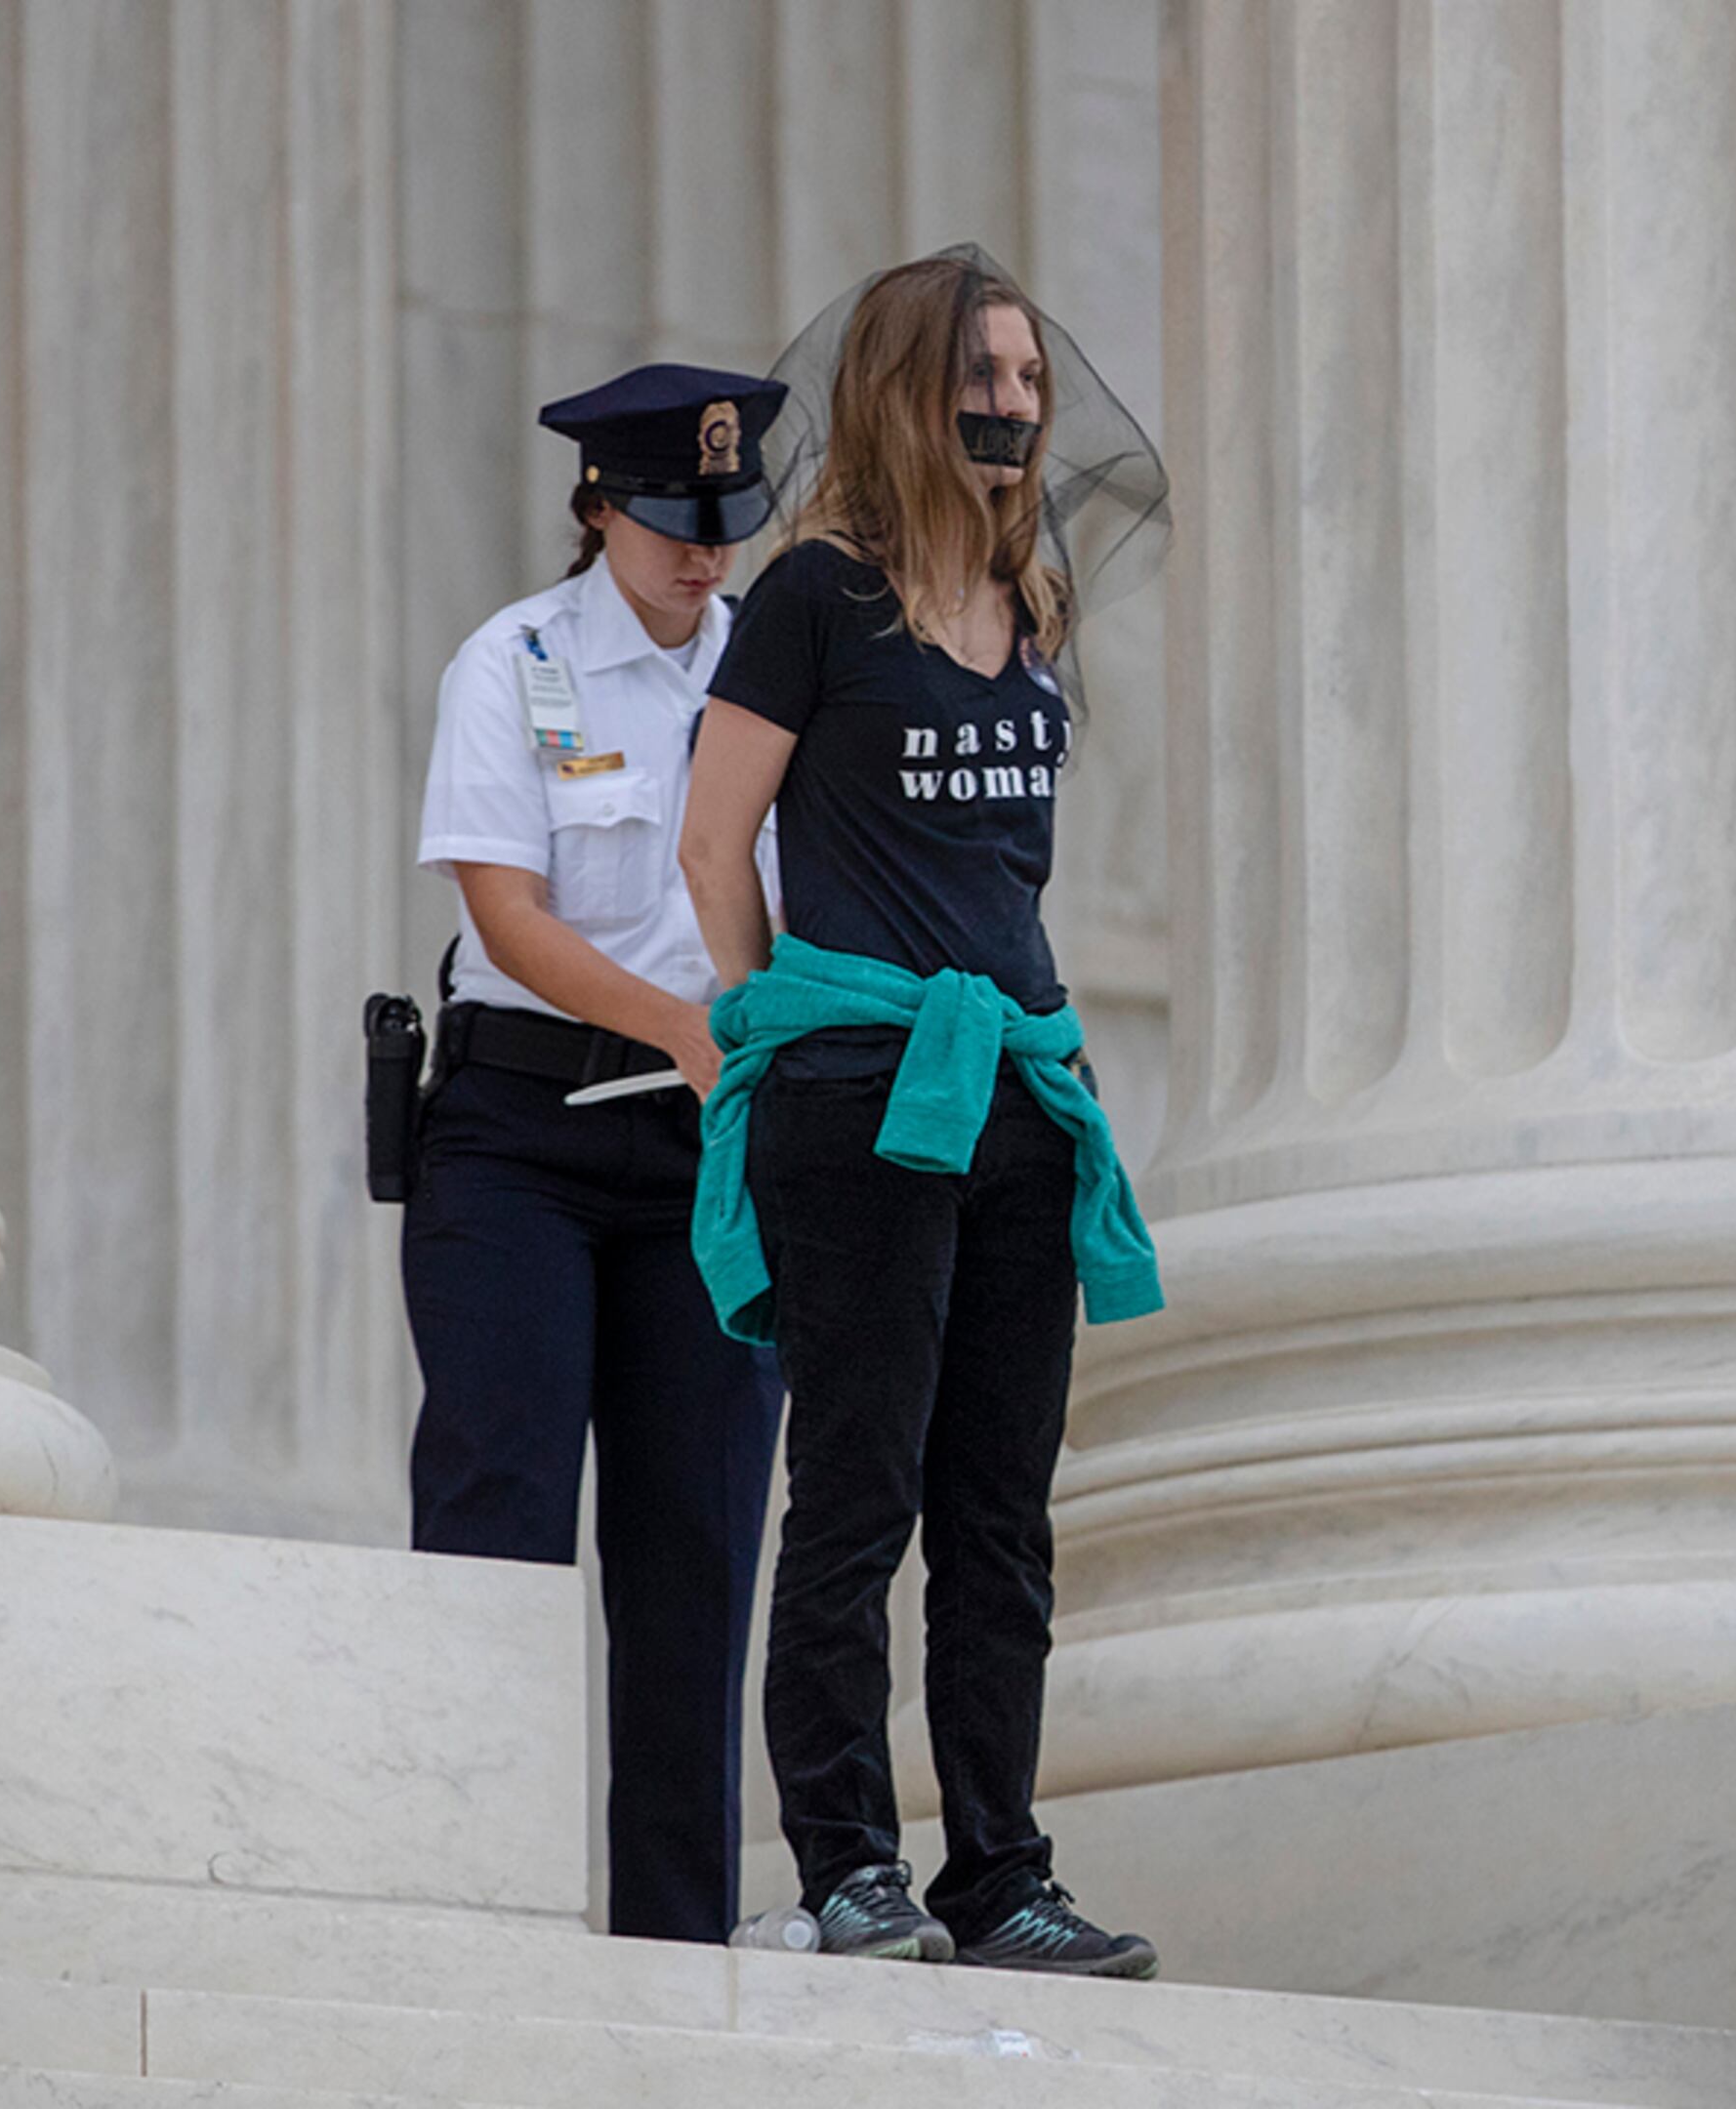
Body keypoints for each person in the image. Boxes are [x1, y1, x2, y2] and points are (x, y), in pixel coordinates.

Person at [676, 247, 1167, 1977]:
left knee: (1000, 1514)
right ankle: (845, 1863)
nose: (1018, 410)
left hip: (1018, 1090)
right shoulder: (816, 596)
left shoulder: (1033, 610)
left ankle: (1001, 1873)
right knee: (859, 1491)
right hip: (867, 1094)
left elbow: (1004, 870)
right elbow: (711, 840)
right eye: (986, 379)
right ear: (909, 390)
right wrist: (775, 1030)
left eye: (1033, 383)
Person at [401, 363, 793, 1944]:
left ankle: (678, 1934)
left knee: (695, 1543)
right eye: (670, 527)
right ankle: (466, 1893)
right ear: (597, 512)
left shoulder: (774, 670)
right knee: (499, 1505)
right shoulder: (515, 662)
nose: (701, 559)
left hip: (707, 1149)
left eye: (724, 527)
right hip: (522, 1135)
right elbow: (506, 916)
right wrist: (683, 1027)